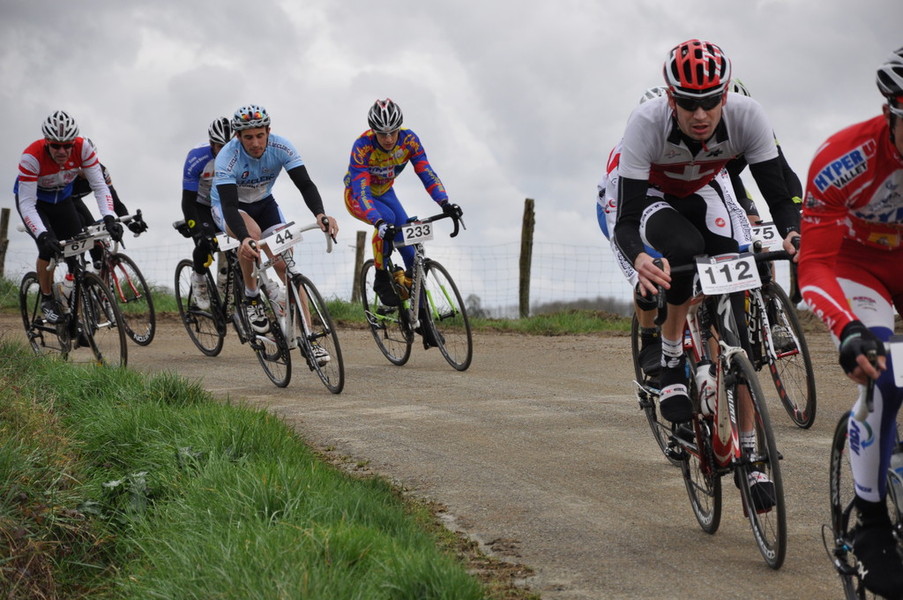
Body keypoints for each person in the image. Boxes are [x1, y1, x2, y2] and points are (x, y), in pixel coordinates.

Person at [611, 39, 801, 511]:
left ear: (725, 95)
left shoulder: (748, 116)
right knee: (681, 250)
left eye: (711, 101)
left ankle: (751, 457)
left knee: (740, 330)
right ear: (670, 98)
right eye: (688, 103)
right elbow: (626, 221)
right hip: (649, 196)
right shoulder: (645, 124)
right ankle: (671, 358)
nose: (700, 114)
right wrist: (639, 257)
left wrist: (793, 233)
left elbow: (778, 195)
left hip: (705, 188)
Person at [798, 46, 903, 598]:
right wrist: (847, 330)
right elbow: (813, 263)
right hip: (858, 268)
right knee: (883, 374)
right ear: (891, 113)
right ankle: (872, 523)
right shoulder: (845, 158)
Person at [210, 104, 338, 341]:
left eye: (260, 135)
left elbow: (305, 184)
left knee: (286, 266)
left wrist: (320, 214)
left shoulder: (282, 147)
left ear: (269, 131)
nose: (256, 143)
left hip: (265, 204)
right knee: (252, 236)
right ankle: (251, 297)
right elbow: (228, 206)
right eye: (248, 137)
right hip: (230, 207)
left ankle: (310, 337)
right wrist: (244, 238)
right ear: (238, 136)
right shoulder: (227, 157)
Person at [344, 98, 462, 311]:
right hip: (358, 196)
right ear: (373, 131)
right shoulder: (362, 146)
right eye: (382, 134)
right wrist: (378, 222)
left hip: (386, 192)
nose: (389, 139)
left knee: (411, 255)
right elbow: (362, 191)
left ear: (399, 128)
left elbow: (426, 172)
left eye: (393, 132)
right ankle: (381, 276)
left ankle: (421, 315)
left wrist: (445, 202)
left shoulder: (409, 140)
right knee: (388, 220)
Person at [14, 110, 123, 324]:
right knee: (47, 248)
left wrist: (109, 217)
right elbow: (27, 204)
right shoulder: (31, 157)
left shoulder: (84, 149)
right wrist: (43, 235)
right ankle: (47, 298)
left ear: (74, 142)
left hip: (63, 201)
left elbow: (100, 186)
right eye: (56, 145)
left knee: (77, 251)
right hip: (37, 204)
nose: (62, 151)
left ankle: (76, 314)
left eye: (67, 145)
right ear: (47, 142)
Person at [178, 117, 233, 311]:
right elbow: (188, 201)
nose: (224, 152)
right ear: (211, 144)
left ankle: (227, 284)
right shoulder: (197, 158)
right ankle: (199, 278)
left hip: (225, 204)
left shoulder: (240, 155)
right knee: (205, 243)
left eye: (228, 147)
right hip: (201, 205)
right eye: (220, 147)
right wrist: (197, 231)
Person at [70, 138, 148, 269]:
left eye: (89, 161)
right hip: (61, 202)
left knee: (94, 233)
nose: (86, 167)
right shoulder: (67, 173)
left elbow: (115, 203)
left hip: (75, 201)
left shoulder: (101, 171)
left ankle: (96, 272)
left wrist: (130, 223)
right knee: (79, 225)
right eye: (81, 164)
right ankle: (77, 268)